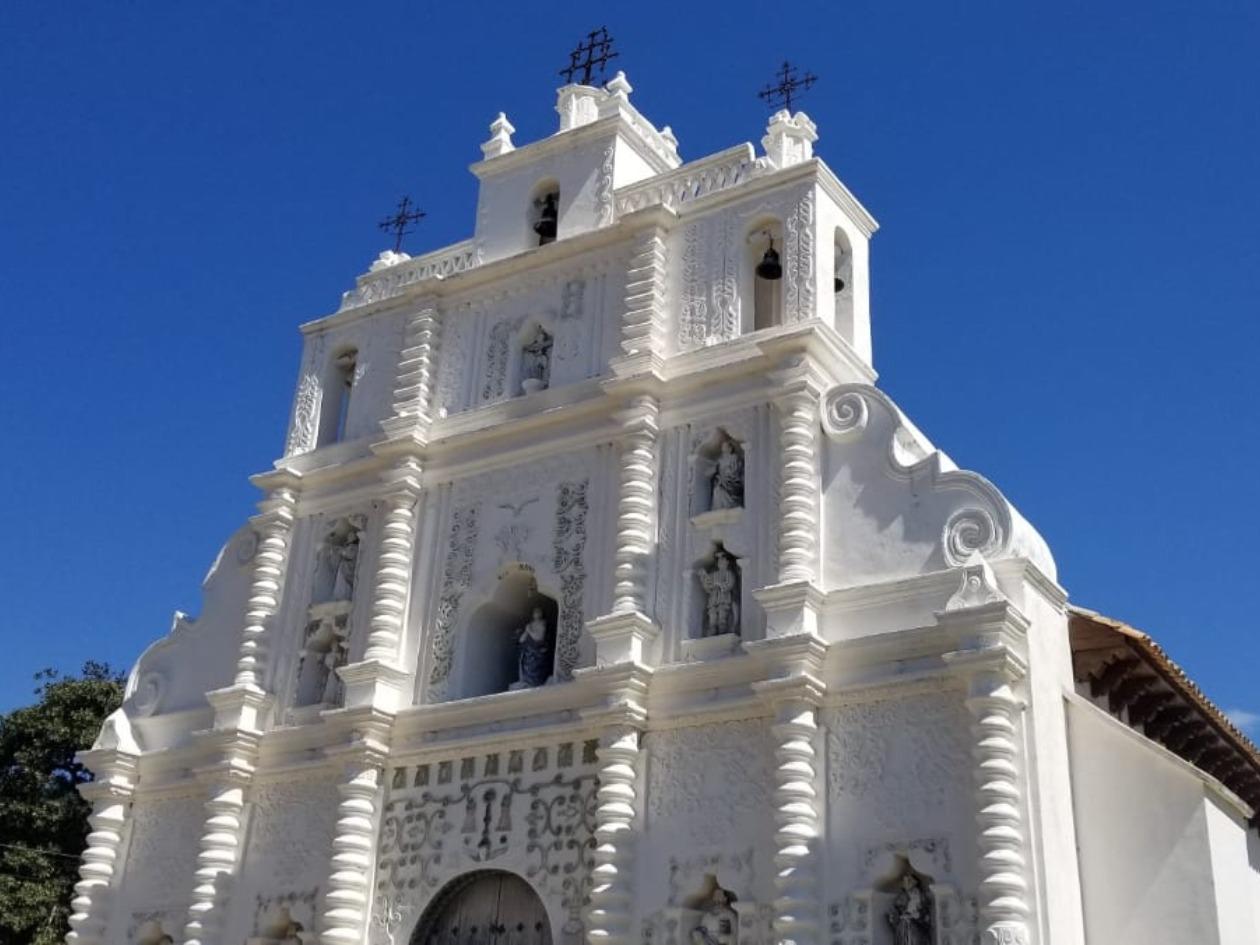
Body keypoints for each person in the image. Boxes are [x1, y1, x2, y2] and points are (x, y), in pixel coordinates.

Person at [699, 552, 739, 636]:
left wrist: (720, 585)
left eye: (722, 560)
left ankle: (722, 630)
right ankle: (712, 630)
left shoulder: (728, 573)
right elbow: (708, 585)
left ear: (727, 562)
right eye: (719, 561)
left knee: (722, 615)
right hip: (713, 599)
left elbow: (729, 583)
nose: (720, 563)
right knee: (712, 615)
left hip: (723, 598)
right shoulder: (714, 574)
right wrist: (703, 577)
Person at [886, 872, 931, 945]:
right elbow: (897, 913)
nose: (913, 893)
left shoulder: (921, 900)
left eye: (914, 891)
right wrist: (894, 917)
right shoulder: (903, 901)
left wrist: (917, 915)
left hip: (915, 929)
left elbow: (925, 916)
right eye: (910, 892)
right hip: (904, 928)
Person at [515, 606, 551, 687]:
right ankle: (527, 683)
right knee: (527, 667)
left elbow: (539, 638)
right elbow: (521, 640)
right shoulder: (530, 624)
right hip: (529, 652)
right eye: (535, 611)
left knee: (537, 669)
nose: (537, 613)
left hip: (538, 652)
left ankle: (537, 683)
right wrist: (527, 631)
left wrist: (529, 631)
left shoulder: (542, 623)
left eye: (539, 611)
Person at [710, 440, 744, 510]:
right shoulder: (720, 460)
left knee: (724, 486)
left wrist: (728, 473)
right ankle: (719, 507)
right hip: (722, 481)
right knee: (717, 489)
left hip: (732, 480)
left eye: (726, 447)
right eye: (723, 447)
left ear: (730, 448)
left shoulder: (734, 457)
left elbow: (736, 470)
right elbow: (716, 471)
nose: (724, 448)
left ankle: (731, 505)